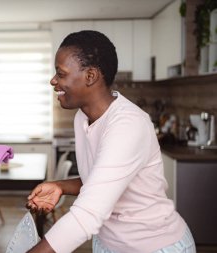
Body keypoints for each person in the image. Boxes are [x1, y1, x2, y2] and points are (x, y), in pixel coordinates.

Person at [26, 30, 196, 253]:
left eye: (61, 73)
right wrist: (60, 186)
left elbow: (87, 213)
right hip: (109, 243)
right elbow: (100, 180)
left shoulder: (128, 125)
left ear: (90, 76)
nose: (53, 80)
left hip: (154, 246)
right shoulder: (82, 118)